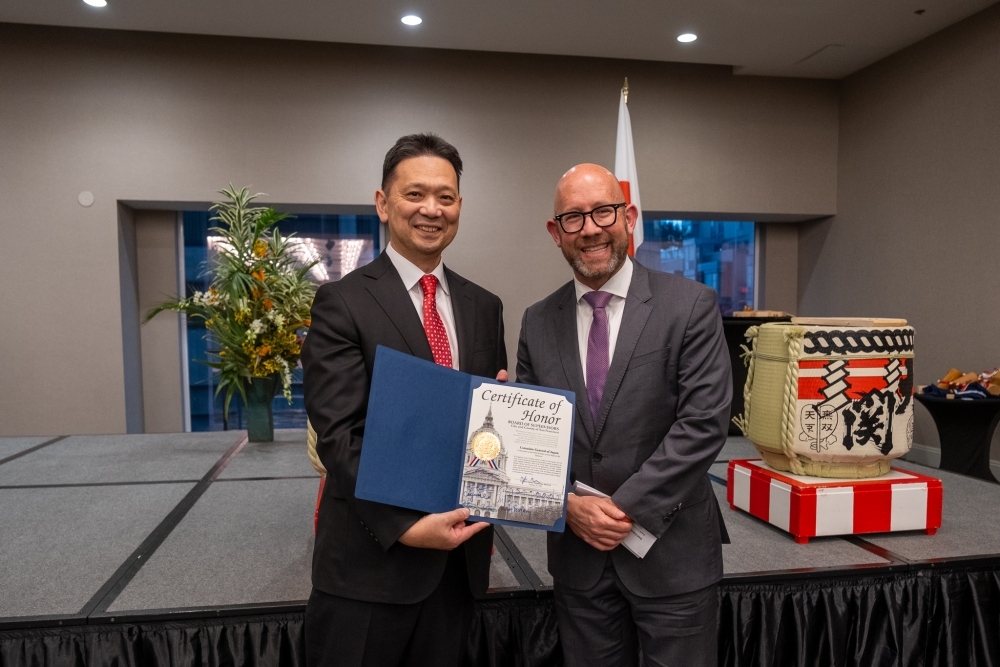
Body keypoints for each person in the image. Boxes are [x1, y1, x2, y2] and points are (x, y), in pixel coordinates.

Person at [301, 134, 507, 667]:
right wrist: (406, 527)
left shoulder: (485, 307)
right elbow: (340, 436)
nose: (431, 209)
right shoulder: (342, 302)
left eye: (446, 197)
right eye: (415, 194)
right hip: (369, 568)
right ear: (383, 202)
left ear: (459, 206)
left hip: (458, 567)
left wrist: (509, 419)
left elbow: (484, 432)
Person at [516, 163, 731, 667]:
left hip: (672, 557)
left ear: (629, 217)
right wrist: (568, 505)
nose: (590, 228)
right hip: (579, 561)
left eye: (603, 212)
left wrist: (621, 510)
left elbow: (703, 425)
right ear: (555, 232)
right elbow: (531, 441)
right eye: (573, 217)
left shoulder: (690, 305)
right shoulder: (537, 321)